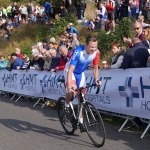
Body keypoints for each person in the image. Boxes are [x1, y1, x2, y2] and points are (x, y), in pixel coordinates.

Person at [64, 36, 101, 128]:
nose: (93, 49)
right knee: (72, 92)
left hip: (80, 73)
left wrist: (96, 79)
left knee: (82, 97)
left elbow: (95, 68)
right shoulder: (78, 51)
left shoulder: (96, 53)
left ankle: (80, 120)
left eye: (95, 46)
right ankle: (66, 106)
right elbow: (70, 71)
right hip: (70, 71)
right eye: (91, 47)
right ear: (86, 45)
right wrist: (70, 87)